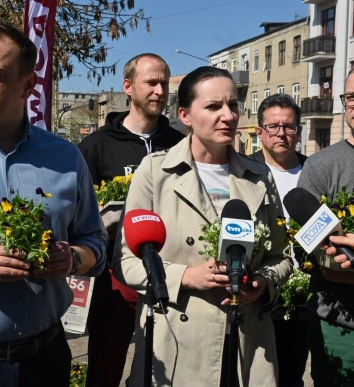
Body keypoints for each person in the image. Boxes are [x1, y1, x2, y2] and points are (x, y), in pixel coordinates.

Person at [113, 66, 292, 387]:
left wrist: (262, 284)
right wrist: (186, 277)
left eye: (233, 105)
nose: (228, 115)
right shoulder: (155, 172)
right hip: (177, 344)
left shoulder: (259, 175)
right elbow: (126, 263)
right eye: (213, 107)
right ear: (185, 115)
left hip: (247, 345)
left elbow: (282, 257)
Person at [0, 20, 107, 387]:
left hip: (45, 361)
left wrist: (70, 258)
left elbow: (97, 246)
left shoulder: (65, 157)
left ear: (28, 85)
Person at [79, 53, 185, 387]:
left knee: (163, 370)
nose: (159, 90)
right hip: (114, 277)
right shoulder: (96, 146)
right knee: (105, 369)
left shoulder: (180, 145)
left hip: (168, 274)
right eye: (151, 82)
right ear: (128, 87)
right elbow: (79, 214)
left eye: (164, 84)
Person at [297, 69, 354, 386]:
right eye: (350, 97)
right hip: (338, 325)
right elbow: (300, 247)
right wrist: (324, 249)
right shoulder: (321, 166)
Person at [250, 93, 309, 387]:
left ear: (298, 132)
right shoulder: (244, 171)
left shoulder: (314, 171)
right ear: (260, 131)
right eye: (273, 126)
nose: (281, 133)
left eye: (289, 126)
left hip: (301, 296)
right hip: (256, 288)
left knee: (289, 375)